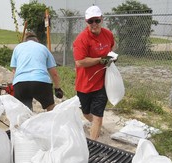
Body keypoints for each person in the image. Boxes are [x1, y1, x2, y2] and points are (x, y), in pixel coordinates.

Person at [73, 5, 116, 140]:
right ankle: (94, 127)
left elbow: (113, 46)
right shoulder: (82, 39)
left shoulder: (108, 34)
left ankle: (93, 145)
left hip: (101, 83)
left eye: (97, 20)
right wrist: (100, 60)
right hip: (84, 84)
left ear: (102, 19)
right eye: (91, 21)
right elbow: (80, 62)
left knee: (98, 117)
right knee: (86, 113)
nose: (94, 24)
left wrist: (112, 57)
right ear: (86, 22)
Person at [10, 32, 63, 111]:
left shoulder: (17, 48)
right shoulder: (43, 48)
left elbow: (14, 71)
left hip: (21, 82)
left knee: (24, 112)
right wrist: (57, 88)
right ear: (37, 40)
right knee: (51, 109)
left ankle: (25, 122)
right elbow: (54, 73)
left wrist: (14, 86)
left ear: (25, 40)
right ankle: (51, 122)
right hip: (40, 81)